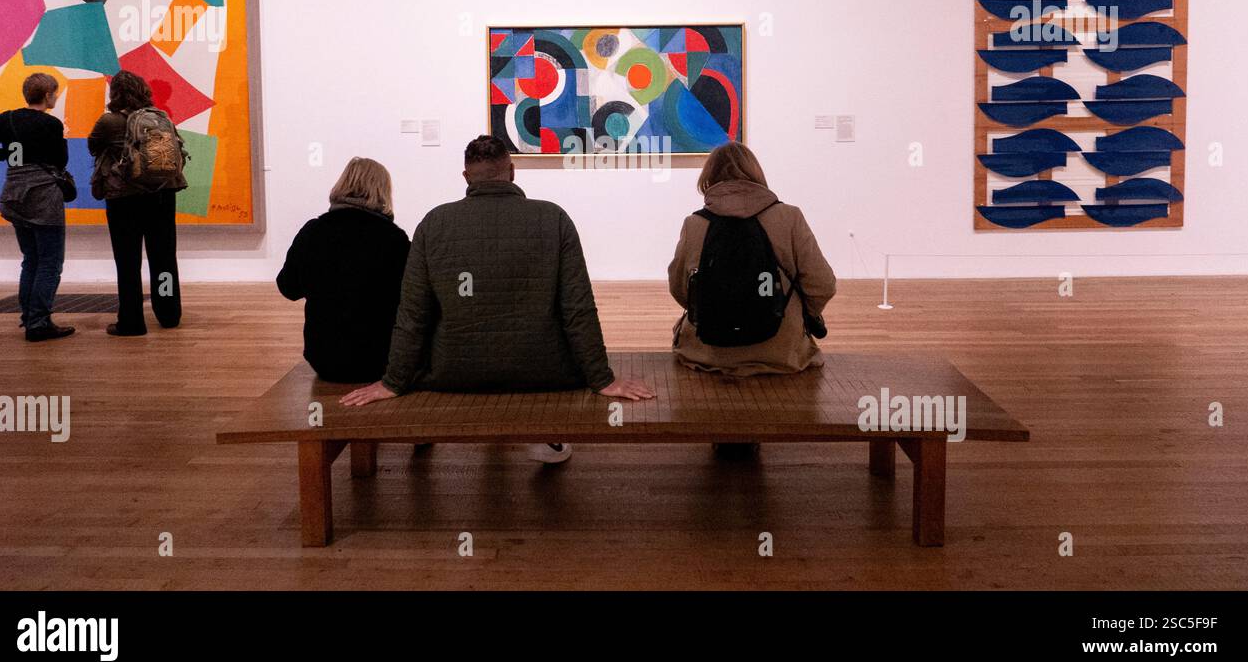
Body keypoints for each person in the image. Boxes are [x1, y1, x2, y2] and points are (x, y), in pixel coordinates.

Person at [341, 134, 654, 463]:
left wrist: (393, 382)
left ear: (466, 177)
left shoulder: (434, 224)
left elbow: (413, 314)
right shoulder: (553, 218)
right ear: (513, 171)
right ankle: (549, 442)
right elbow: (577, 308)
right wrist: (602, 379)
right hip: (547, 372)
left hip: (453, 373)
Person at [667, 141, 836, 457]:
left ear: (708, 180)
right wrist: (799, 317)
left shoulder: (695, 224)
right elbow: (823, 284)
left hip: (708, 352)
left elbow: (680, 289)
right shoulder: (789, 217)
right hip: (781, 352)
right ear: (757, 175)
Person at [277, 157, 411, 382]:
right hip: (379, 358)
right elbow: (411, 299)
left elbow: (288, 288)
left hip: (323, 358)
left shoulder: (313, 231)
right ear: (383, 191)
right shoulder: (394, 239)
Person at [0, 72, 75, 342]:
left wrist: (16, 155)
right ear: (47, 95)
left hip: (15, 196)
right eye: (55, 92)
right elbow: (60, 162)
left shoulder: (5, 118)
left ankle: (29, 318)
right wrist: (63, 136)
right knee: (50, 263)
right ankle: (39, 322)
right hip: (44, 198)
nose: (56, 96)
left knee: (30, 260)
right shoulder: (51, 124)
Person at [87, 70, 184, 336]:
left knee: (128, 261)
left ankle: (131, 320)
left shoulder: (109, 122)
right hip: (162, 195)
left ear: (115, 93)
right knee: (164, 258)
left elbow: (93, 147)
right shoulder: (160, 119)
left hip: (124, 199)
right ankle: (169, 314)